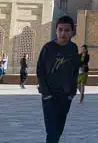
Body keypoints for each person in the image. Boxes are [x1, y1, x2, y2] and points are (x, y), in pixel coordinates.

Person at [36, 15, 80, 143]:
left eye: (67, 30)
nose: (63, 33)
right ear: (56, 30)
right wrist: (46, 93)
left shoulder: (73, 48)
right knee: (52, 131)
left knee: (59, 129)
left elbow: (75, 70)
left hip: (65, 96)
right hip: (50, 96)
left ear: (72, 32)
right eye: (60, 30)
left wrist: (71, 93)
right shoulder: (48, 48)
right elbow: (40, 71)